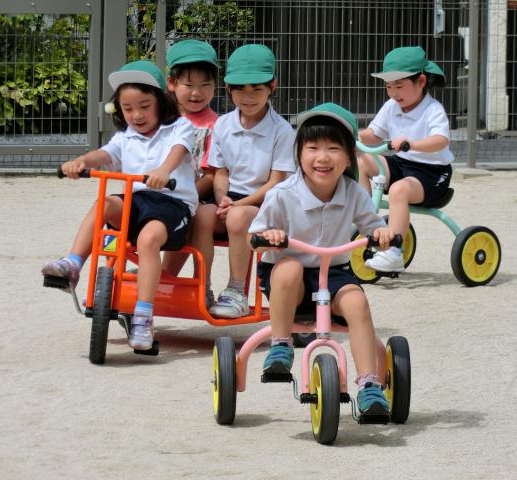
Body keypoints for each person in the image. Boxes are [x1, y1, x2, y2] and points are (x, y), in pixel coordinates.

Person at [248, 103, 395, 416]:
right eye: (313, 148)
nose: (323, 157)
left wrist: (381, 233)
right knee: (289, 267)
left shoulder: (352, 192)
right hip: (288, 279)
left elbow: (372, 225)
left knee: (357, 302)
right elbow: (253, 237)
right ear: (299, 153)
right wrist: (269, 235)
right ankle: (281, 343)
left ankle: (369, 385)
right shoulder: (282, 194)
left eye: (333, 148)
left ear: (349, 158)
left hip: (334, 273)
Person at [41, 60, 198, 351]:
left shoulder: (179, 127)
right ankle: (73, 264)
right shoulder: (126, 137)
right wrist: (81, 162)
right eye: (128, 108)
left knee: (149, 240)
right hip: (137, 199)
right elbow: (105, 154)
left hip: (173, 204)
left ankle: (143, 315)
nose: (136, 115)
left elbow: (179, 150)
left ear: (160, 102)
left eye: (144, 106)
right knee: (105, 203)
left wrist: (164, 170)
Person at [191, 43, 296, 318]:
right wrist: (222, 199)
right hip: (230, 200)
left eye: (257, 89)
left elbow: (276, 182)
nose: (248, 98)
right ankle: (202, 286)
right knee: (201, 215)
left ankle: (236, 291)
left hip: (265, 204)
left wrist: (238, 206)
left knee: (238, 219)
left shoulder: (282, 130)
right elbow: (221, 172)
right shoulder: (223, 124)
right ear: (228, 89)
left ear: (272, 86)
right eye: (240, 90)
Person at [358, 46, 453, 273]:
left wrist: (412, 143)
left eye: (399, 86)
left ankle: (393, 252)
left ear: (421, 81)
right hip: (403, 164)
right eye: (388, 86)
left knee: (399, 189)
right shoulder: (391, 106)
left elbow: (441, 140)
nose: (393, 93)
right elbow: (374, 135)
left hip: (432, 174)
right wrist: (354, 135)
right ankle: (367, 222)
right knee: (362, 161)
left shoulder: (432, 109)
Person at [161, 39, 220, 277]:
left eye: (206, 85)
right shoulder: (160, 119)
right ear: (171, 83)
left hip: (198, 195)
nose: (197, 93)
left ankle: (188, 280)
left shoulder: (216, 125)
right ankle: (158, 275)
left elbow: (211, 175)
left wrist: (186, 194)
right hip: (161, 191)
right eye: (188, 84)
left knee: (190, 216)